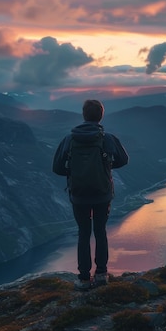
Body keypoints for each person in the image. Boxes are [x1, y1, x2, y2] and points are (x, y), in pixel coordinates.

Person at [52, 99, 129, 290]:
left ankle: (84, 278)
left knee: (83, 234)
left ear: (84, 115)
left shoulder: (69, 139)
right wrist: (106, 167)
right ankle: (101, 274)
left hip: (78, 195)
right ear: (101, 115)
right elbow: (124, 160)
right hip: (102, 194)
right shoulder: (107, 138)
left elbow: (57, 168)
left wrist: (75, 173)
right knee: (100, 232)